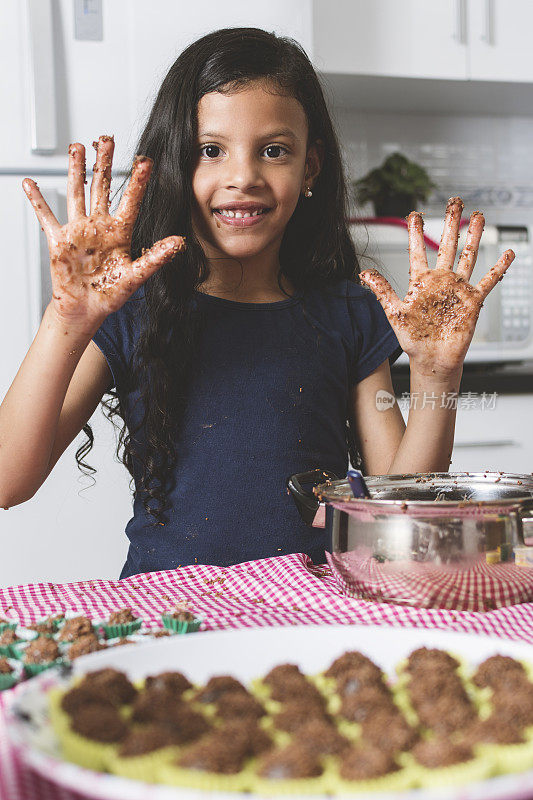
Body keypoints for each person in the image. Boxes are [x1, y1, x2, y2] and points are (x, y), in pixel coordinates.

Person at [0, 28, 514, 578]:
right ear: (175, 164)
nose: (242, 177)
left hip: (312, 610)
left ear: (309, 168)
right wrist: (66, 318)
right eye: (210, 151)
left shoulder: (349, 315)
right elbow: (9, 482)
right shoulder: (130, 310)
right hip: (169, 616)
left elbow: (397, 523)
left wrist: (438, 378)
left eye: (273, 151)